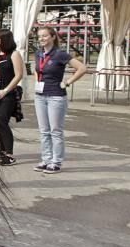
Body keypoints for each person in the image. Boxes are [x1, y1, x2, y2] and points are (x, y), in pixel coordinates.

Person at [32, 26, 88, 174]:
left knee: (55, 130)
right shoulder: (38, 54)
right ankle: (46, 159)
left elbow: (82, 68)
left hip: (56, 96)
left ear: (53, 37)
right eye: (39, 37)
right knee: (44, 131)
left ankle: (56, 162)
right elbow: (38, 71)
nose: (41, 39)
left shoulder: (60, 54)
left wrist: (68, 82)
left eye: (44, 36)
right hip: (40, 96)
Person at [0, 29, 25, 166]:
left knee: (1, 120)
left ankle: (9, 153)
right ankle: (1, 149)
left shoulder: (14, 55)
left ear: (4, 39)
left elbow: (19, 75)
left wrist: (6, 90)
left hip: (7, 93)